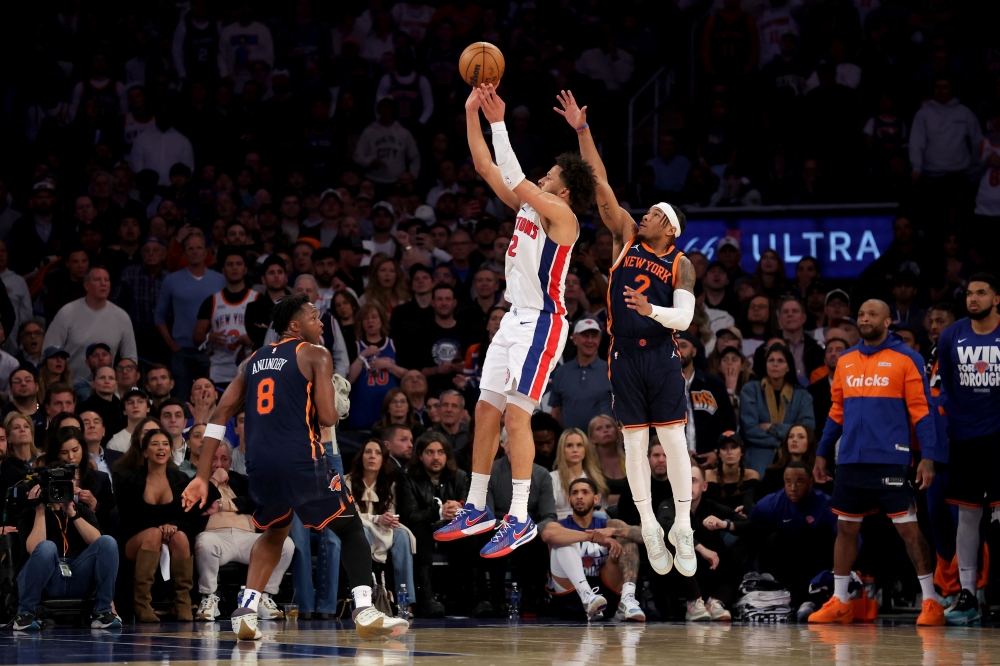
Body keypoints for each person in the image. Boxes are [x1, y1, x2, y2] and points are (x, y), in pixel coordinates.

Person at [181, 294, 408, 640]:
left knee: (274, 533)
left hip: (260, 466)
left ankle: (245, 610)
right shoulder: (316, 354)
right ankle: (364, 610)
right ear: (293, 326)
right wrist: (331, 395)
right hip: (303, 461)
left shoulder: (252, 361)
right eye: (314, 318)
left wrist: (200, 477)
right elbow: (329, 418)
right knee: (350, 531)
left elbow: (219, 416)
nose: (321, 324)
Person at [433, 85, 596, 558]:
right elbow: (487, 167)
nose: (543, 176)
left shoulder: (563, 216)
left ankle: (520, 515)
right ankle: (477, 506)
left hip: (544, 322)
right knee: (485, 409)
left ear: (563, 190)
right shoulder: (530, 206)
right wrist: (471, 114)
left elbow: (516, 175)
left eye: (552, 174)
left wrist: (499, 120)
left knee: (516, 415)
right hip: (513, 320)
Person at [555, 90, 695, 576]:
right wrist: (581, 130)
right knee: (635, 445)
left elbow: (684, 320)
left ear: (670, 229)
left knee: (673, 442)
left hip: (660, 351)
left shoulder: (681, 264)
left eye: (655, 214)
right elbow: (599, 184)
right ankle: (651, 529)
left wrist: (650, 308)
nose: (646, 215)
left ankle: (681, 524)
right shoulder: (624, 239)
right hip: (625, 356)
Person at [810, 299, 945, 626]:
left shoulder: (907, 358)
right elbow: (836, 413)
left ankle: (931, 600)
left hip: (890, 458)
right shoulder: (845, 360)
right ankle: (840, 600)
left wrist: (928, 456)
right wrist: (821, 452)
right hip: (852, 459)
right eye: (861, 314)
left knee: (909, 531)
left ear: (888, 322)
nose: (865, 318)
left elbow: (922, 411)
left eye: (872, 314)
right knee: (845, 528)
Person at [935, 273, 1000, 624]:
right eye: (969, 293)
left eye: (981, 293)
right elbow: (945, 383)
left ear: (997, 299)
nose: (973, 298)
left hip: (998, 436)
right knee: (968, 517)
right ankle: (968, 595)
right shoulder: (951, 335)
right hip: (964, 438)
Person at [13, 462, 121, 631]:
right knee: (47, 547)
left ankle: (103, 612)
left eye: (70, 480)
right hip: (47, 579)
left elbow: (99, 542)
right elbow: (34, 549)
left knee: (108, 541)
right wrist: (40, 510)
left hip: (76, 575)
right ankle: (25, 614)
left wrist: (72, 513)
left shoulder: (81, 511)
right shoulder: (30, 513)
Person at [118, 428, 210, 622]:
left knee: (181, 537)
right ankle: (142, 603)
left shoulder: (181, 480)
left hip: (171, 536)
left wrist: (173, 525)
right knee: (152, 534)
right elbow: (127, 521)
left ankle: (183, 602)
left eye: (165, 444)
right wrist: (160, 529)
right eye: (155, 444)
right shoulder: (129, 482)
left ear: (170, 450)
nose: (161, 448)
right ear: (144, 452)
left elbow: (188, 519)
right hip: (136, 540)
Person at [194, 442, 292, 622]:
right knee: (204, 543)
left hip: (247, 536)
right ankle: (208, 597)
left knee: (285, 544)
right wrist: (214, 480)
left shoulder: (240, 480)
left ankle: (264, 596)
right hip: (216, 537)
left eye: (224, 459)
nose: (218, 464)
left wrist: (226, 505)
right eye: (213, 458)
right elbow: (197, 506)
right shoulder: (195, 483)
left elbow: (255, 500)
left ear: (230, 461)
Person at [542, 478, 647, 621]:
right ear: (569, 500)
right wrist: (591, 537)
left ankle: (627, 600)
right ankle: (586, 595)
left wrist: (614, 532)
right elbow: (548, 535)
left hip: (604, 595)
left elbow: (646, 536)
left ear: (596, 499)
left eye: (585, 492)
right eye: (575, 493)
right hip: (571, 596)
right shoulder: (560, 525)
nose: (579, 496)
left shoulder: (608, 524)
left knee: (627, 537)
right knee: (561, 542)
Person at [397, 432, 470, 617]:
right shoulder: (408, 478)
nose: (436, 457)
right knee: (419, 530)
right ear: (420, 455)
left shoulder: (460, 476)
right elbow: (409, 515)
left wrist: (458, 508)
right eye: (430, 452)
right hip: (424, 531)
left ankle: (466, 598)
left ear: (447, 455)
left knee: (469, 532)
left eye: (440, 452)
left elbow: (470, 507)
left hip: (452, 531)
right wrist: (438, 512)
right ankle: (427, 598)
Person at [750, 462, 838, 609]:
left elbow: (847, 536)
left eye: (799, 482)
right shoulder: (771, 503)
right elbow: (750, 529)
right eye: (788, 482)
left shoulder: (825, 504)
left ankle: (816, 595)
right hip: (785, 562)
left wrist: (839, 569)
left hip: (815, 558)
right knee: (775, 538)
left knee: (826, 537)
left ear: (811, 482)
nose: (793, 488)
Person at [42, 266, 137, 399]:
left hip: (106, 388)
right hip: (70, 387)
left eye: (107, 280)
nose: (103, 283)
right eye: (98, 280)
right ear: (86, 285)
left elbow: (130, 358)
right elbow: (48, 352)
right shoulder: (67, 313)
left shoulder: (122, 317)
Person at [154, 229, 226, 403]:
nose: (195, 252)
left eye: (199, 248)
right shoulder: (171, 280)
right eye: (190, 248)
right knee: (181, 399)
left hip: (212, 351)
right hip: (182, 351)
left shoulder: (220, 280)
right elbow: (158, 316)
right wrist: (172, 344)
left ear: (206, 252)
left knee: (212, 399)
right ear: (185, 252)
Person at [346, 440, 416, 612]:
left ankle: (405, 601)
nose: (372, 456)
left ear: (384, 459)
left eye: (377, 453)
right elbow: (350, 515)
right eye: (368, 451)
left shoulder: (389, 485)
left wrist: (388, 520)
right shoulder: (346, 481)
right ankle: (365, 598)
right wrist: (376, 519)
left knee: (402, 535)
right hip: (356, 528)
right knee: (361, 532)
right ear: (360, 457)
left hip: (382, 530)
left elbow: (390, 514)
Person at [739, 343, 815, 475]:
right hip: (757, 463)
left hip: (793, 462)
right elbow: (749, 430)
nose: (775, 364)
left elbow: (807, 429)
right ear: (765, 364)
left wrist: (772, 428)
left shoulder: (803, 396)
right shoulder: (750, 390)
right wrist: (788, 440)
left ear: (788, 367)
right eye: (771, 360)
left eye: (780, 361)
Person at [193, 249, 258, 386]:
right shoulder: (212, 301)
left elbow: (271, 336)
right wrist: (209, 337)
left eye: (238, 264)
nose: (234, 267)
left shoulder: (258, 299)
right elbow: (196, 337)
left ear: (245, 269)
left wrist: (252, 338)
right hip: (219, 372)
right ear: (223, 270)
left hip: (251, 370)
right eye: (230, 264)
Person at [677, 331, 737, 465]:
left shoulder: (713, 384)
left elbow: (728, 424)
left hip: (709, 461)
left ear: (694, 352)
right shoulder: (660, 387)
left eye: (683, 346)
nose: (678, 350)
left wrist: (717, 452)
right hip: (673, 462)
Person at [346, 303, 404, 430]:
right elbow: (348, 380)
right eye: (366, 318)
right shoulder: (354, 346)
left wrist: (389, 366)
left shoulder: (394, 344)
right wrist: (362, 356)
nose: (370, 321)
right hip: (362, 414)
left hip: (390, 415)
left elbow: (408, 375)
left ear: (382, 320)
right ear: (361, 323)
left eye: (374, 317)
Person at [547, 318, 613, 431]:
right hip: (571, 444)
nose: (590, 340)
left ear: (600, 339)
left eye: (594, 336)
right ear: (574, 339)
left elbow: (623, 409)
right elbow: (556, 411)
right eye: (585, 335)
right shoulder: (562, 372)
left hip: (603, 443)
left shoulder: (612, 371)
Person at [47, 426, 115, 533]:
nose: (71, 456)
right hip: (58, 534)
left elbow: (111, 519)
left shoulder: (101, 479)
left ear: (83, 449)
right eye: (64, 452)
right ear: (58, 454)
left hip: (91, 535)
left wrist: (94, 503)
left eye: (75, 450)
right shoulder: (49, 478)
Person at [550, 428, 609, 520]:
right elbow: (548, 515)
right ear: (562, 450)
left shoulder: (595, 478)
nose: (575, 450)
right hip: (561, 527)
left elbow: (602, 509)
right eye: (569, 446)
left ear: (585, 449)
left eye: (579, 445)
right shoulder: (552, 478)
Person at [705, 431, 760, 513]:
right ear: (719, 454)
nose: (729, 452)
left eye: (734, 447)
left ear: (741, 451)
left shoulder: (752, 476)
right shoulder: (708, 476)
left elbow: (750, 505)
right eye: (724, 448)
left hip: (743, 522)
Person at [760, 424, 819, 497]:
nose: (794, 440)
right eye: (791, 436)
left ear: (810, 442)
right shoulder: (772, 473)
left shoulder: (818, 474)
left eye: (801, 437)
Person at [807, 334, 849, 438]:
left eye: (838, 350)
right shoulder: (812, 391)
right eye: (829, 351)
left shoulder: (862, 387)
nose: (833, 354)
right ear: (825, 360)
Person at [107, 387, 151, 453]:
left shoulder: (158, 435)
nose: (135, 406)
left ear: (148, 408)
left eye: (140, 402)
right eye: (130, 403)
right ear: (124, 411)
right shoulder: (115, 442)